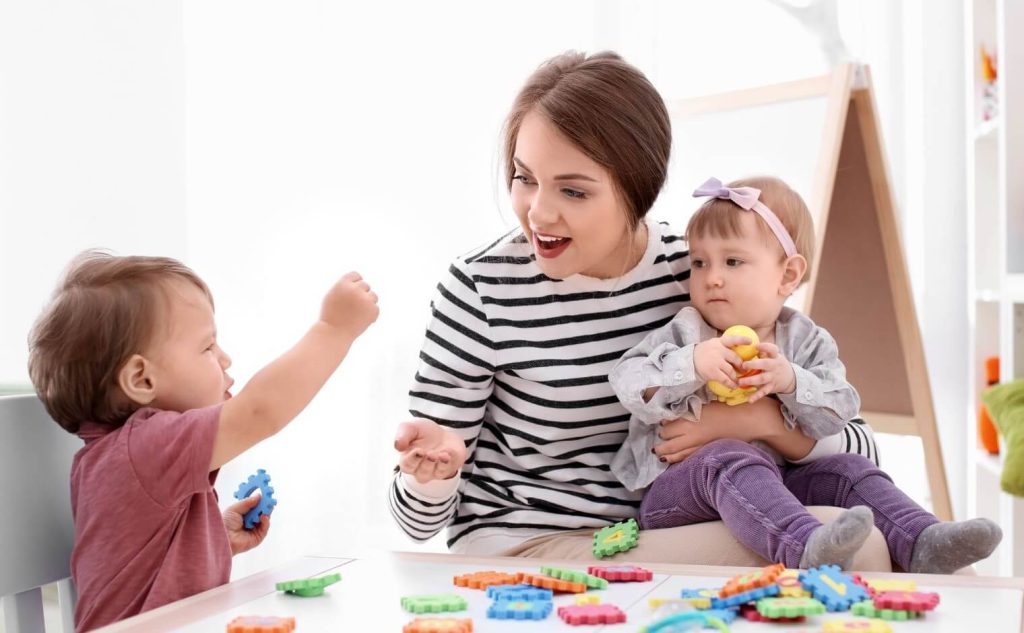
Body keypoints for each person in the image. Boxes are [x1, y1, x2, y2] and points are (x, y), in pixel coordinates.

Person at [386, 50, 891, 566]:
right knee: (853, 549)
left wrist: (759, 423)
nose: (538, 212)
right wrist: (433, 473)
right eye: (524, 177)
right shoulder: (480, 287)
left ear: (638, 192)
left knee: (863, 536)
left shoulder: (698, 275)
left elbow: (860, 447)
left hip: (648, 531)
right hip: (524, 547)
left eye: (573, 190)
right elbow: (416, 523)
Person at [608, 176, 1002, 573]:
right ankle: (804, 545)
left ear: (788, 275)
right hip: (679, 492)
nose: (712, 277)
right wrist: (692, 363)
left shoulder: (806, 340)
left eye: (733, 261)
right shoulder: (687, 331)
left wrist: (792, 382)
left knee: (851, 471)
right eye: (699, 262)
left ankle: (922, 540)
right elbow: (627, 380)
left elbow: (841, 410)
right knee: (730, 457)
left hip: (779, 485)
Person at [27, 251, 378, 630]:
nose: (225, 359)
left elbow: (139, 568)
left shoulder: (123, 457)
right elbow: (260, 411)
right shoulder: (143, 447)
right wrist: (334, 328)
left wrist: (213, 541)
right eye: (208, 347)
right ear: (142, 380)